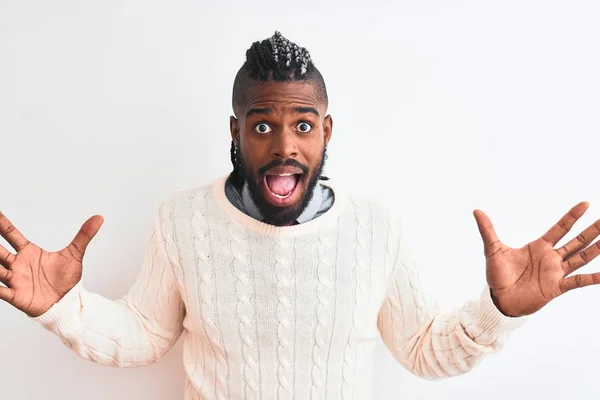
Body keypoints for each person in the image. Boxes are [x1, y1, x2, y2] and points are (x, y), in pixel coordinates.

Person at [1, 31, 599, 400]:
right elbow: (143, 337)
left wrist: (501, 311)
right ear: (236, 132)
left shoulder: (377, 227)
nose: (284, 146)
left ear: (326, 131)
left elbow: (424, 351)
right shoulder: (181, 220)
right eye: (263, 125)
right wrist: (62, 308)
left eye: (303, 125)